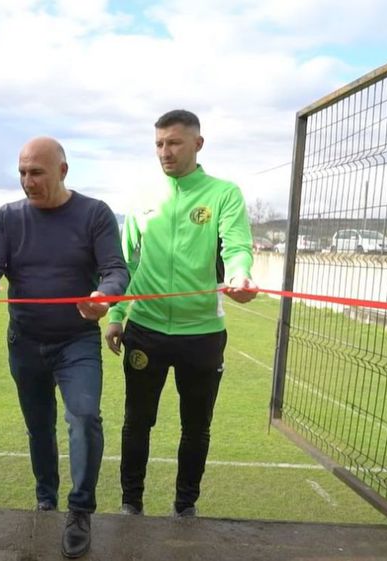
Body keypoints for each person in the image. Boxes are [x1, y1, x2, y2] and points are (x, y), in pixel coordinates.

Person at [0, 137, 128, 559]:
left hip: (77, 341)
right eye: (22, 172)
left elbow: (115, 270)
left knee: (85, 417)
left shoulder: (95, 214)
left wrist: (103, 297)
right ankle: (46, 500)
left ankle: (80, 510)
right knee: (39, 427)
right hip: (25, 341)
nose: (27, 181)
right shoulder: (7, 218)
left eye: (36, 172)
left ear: (63, 171)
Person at [104, 109, 256, 518]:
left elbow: (236, 246)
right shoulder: (141, 198)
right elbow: (125, 265)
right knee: (137, 423)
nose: (164, 152)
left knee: (196, 427)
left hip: (202, 335)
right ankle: (130, 504)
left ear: (197, 144)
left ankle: (185, 506)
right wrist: (116, 316)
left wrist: (240, 275)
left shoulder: (223, 193)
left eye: (173, 143)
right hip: (146, 331)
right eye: (159, 143)